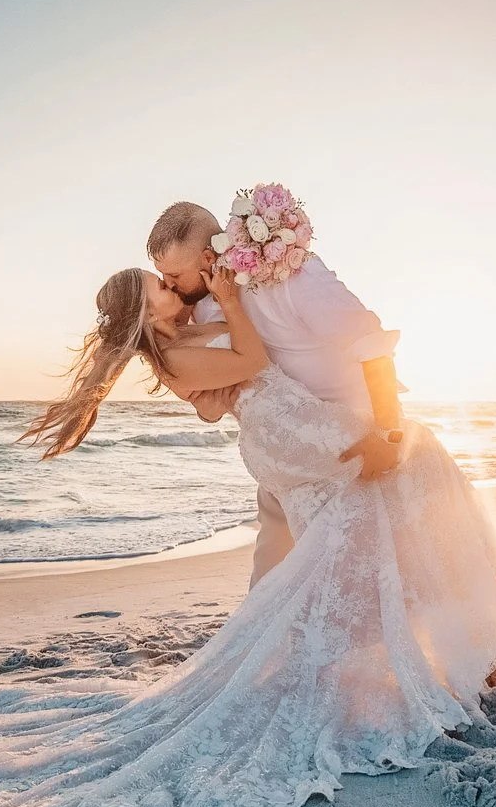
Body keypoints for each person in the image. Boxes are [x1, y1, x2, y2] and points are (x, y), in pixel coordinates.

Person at [0, 262, 496, 807]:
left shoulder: (184, 336)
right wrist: (238, 302)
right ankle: (426, 649)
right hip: (290, 431)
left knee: (378, 510)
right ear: (144, 310)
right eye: (156, 285)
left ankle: (422, 646)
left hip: (285, 424)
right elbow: (250, 363)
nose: (169, 285)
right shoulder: (175, 353)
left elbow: (229, 389)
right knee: (398, 479)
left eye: (166, 278)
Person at [146, 200, 404, 587]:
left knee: (371, 571)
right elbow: (213, 396)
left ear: (206, 257)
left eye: (174, 275)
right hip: (282, 460)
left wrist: (388, 431)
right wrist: (205, 402)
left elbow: (371, 342)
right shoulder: (199, 309)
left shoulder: (293, 275)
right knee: (270, 582)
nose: (168, 285)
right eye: (161, 276)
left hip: (353, 443)